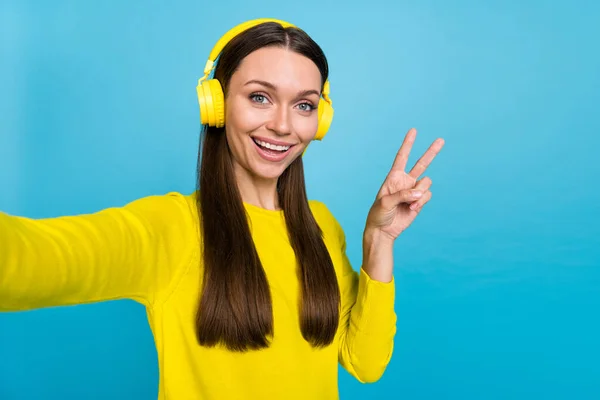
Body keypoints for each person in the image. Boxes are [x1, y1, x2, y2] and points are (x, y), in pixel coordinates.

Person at [0, 18, 444, 400]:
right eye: (259, 97)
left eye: (304, 105)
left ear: (320, 120)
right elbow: (21, 261)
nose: (283, 125)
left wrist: (379, 241)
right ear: (215, 105)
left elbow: (364, 362)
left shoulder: (322, 227)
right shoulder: (170, 229)